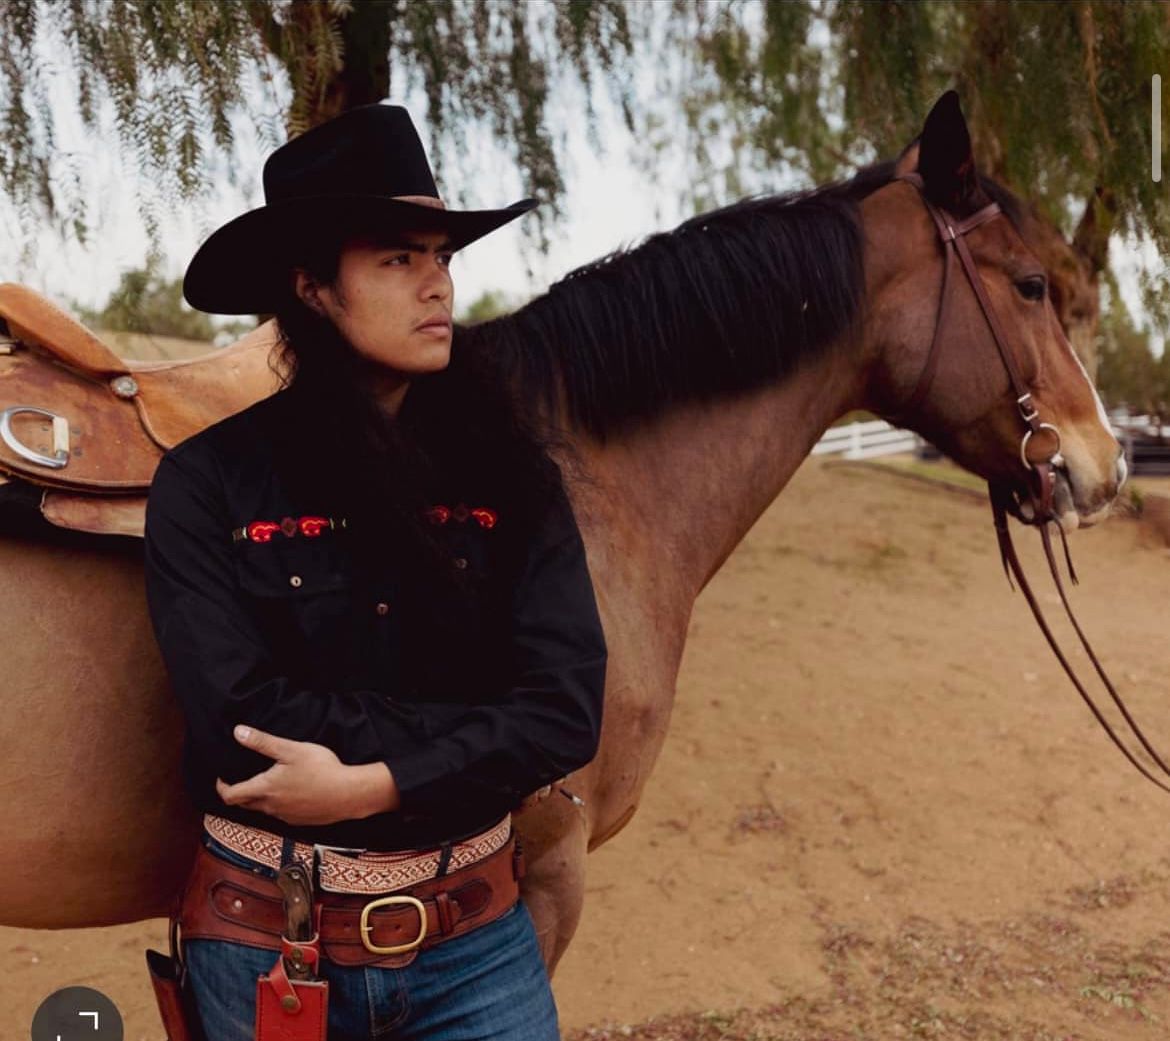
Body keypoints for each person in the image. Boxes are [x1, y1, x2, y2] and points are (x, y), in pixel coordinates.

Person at [143, 102, 608, 1041]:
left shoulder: (514, 479)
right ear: (312, 287)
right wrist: (475, 737)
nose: (437, 284)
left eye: (441, 256)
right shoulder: (207, 483)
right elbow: (241, 725)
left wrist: (378, 782)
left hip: (478, 940)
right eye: (399, 259)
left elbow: (564, 709)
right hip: (270, 940)